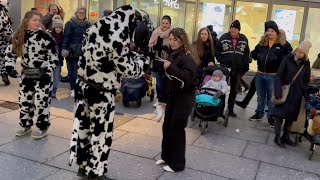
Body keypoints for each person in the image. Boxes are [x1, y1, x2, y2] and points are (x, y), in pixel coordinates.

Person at [68, 6, 148, 180]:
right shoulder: (117, 37)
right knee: (100, 133)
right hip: (101, 92)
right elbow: (127, 69)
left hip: (83, 87)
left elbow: (100, 58)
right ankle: (96, 171)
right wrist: (143, 62)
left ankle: (82, 165)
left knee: (83, 127)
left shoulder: (94, 28)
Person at [5, 10, 58, 139]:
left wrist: (48, 70)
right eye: (34, 20)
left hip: (43, 76)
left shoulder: (46, 37)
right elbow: (10, 54)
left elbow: (54, 57)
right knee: (24, 102)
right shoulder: (19, 36)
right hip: (27, 75)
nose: (38, 22)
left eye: (39, 20)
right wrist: (10, 68)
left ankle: (41, 127)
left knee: (42, 102)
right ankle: (25, 125)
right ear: (26, 21)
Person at [155, 27, 198, 172]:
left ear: (182, 40)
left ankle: (177, 164)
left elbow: (188, 79)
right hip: (173, 97)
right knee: (167, 127)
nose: (172, 42)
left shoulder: (188, 57)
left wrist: (170, 67)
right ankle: (166, 157)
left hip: (184, 99)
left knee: (177, 129)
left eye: (175, 39)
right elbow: (168, 79)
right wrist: (163, 98)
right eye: (171, 39)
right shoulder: (174, 54)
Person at [250, 21, 293, 127]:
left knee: (271, 98)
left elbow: (289, 58)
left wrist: (279, 60)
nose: (269, 33)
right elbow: (254, 54)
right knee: (260, 96)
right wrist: (257, 54)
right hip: (260, 74)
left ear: (276, 32)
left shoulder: (283, 44)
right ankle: (259, 113)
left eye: (272, 31)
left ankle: (271, 116)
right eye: (268, 31)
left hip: (273, 76)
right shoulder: (262, 43)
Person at [273, 40, 311, 148]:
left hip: (296, 95)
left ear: (305, 55)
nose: (297, 54)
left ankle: (285, 136)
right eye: (297, 51)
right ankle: (277, 136)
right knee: (279, 115)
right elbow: (278, 76)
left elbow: (306, 80)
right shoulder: (287, 59)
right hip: (284, 92)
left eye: (301, 53)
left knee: (290, 116)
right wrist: (278, 92)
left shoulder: (306, 64)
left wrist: (302, 90)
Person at [216, 20, 250, 117]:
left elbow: (246, 53)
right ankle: (220, 109)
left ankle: (230, 109)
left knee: (234, 90)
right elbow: (217, 50)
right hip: (225, 68)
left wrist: (243, 63)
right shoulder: (223, 37)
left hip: (238, 69)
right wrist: (220, 59)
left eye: (235, 28)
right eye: (231, 28)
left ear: (238, 30)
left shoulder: (244, 39)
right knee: (222, 88)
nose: (233, 30)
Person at [148, 15, 173, 121]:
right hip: (157, 60)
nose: (164, 25)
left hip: (167, 61)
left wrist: (167, 49)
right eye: (163, 23)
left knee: (166, 81)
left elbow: (174, 46)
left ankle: (165, 101)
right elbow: (150, 44)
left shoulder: (172, 33)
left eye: (166, 23)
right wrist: (155, 46)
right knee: (158, 82)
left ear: (170, 24)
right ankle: (159, 100)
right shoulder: (156, 32)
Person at [61, 6, 90, 97]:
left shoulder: (88, 24)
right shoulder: (70, 23)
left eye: (83, 12)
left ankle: (80, 88)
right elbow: (66, 37)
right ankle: (73, 88)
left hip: (83, 52)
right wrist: (64, 48)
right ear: (76, 13)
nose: (81, 14)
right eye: (79, 12)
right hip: (71, 51)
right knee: (72, 73)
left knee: (82, 73)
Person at [50, 19, 64, 98]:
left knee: (57, 76)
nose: (58, 29)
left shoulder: (63, 37)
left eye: (60, 27)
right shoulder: (49, 36)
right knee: (50, 76)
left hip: (59, 60)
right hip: (50, 60)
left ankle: (54, 91)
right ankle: (49, 89)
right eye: (57, 27)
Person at [0, 0, 13, 85]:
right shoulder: (2, 12)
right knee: (2, 57)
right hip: (2, 39)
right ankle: (4, 73)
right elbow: (5, 26)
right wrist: (9, 37)